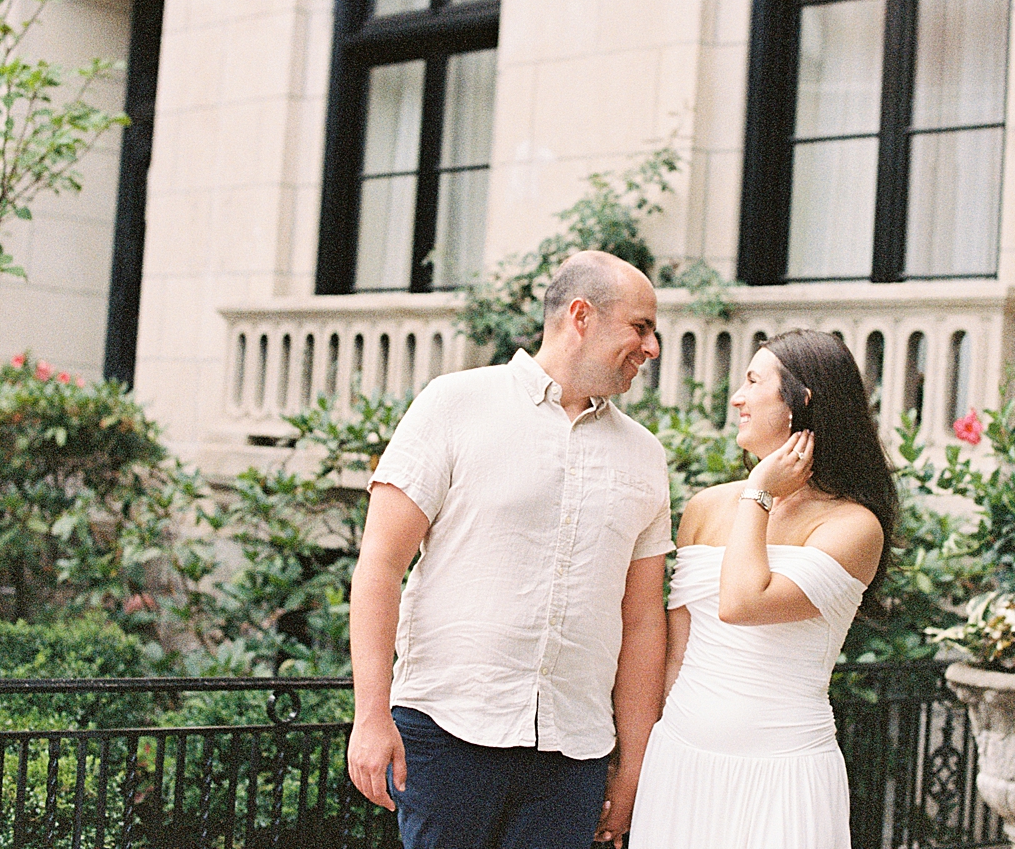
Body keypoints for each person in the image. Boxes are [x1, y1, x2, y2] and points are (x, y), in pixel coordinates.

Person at [347, 250, 673, 849]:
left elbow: (642, 620)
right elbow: (381, 564)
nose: (652, 347)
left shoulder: (645, 455)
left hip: (575, 753)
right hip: (449, 730)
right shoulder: (454, 404)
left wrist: (634, 766)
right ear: (581, 315)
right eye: (641, 326)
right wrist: (371, 715)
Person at [626, 329, 897, 849]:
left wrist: (759, 495)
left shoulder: (853, 526)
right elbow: (678, 651)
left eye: (753, 381)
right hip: (681, 763)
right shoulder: (706, 507)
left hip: (782, 774)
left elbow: (742, 603)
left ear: (802, 402)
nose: (737, 397)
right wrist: (644, 757)